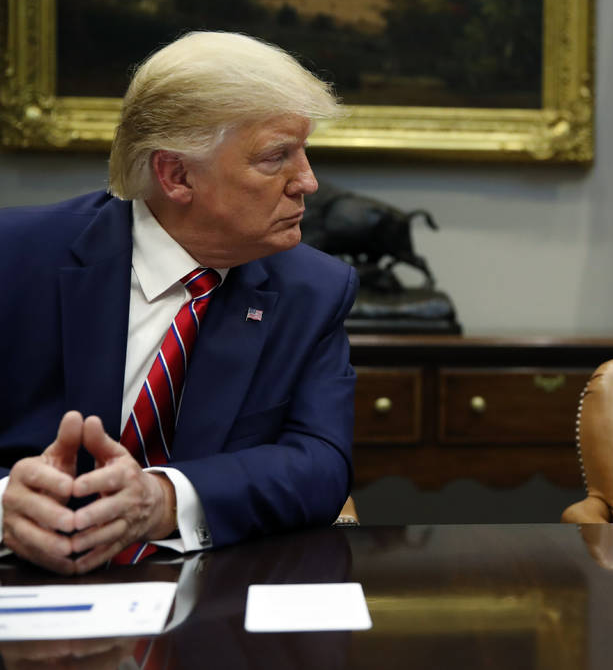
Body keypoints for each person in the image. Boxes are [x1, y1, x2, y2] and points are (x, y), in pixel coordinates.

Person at [0, 31, 358, 574]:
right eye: (275, 158)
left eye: (303, 153)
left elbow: (320, 464)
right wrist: (3, 504)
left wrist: (164, 500)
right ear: (177, 174)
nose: (307, 181)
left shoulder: (312, 291)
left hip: (208, 604)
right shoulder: (16, 260)